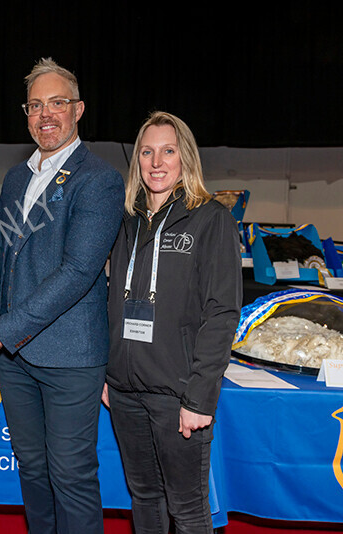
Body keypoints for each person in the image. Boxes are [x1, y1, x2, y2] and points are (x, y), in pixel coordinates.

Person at [0, 58, 125, 534]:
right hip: (17, 358)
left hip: (71, 356)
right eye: (35, 105)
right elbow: (14, 249)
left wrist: (0, 332)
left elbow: (77, 272)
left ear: (79, 110)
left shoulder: (99, 179)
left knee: (70, 476)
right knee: (32, 472)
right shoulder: (16, 178)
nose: (45, 114)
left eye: (57, 103)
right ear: (25, 113)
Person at [102, 111, 242, 533]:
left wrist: (199, 399)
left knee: (188, 508)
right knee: (144, 498)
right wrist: (107, 374)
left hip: (177, 395)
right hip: (125, 391)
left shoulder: (210, 218)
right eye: (147, 151)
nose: (156, 161)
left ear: (186, 159)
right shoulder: (125, 221)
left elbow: (222, 313)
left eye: (168, 151)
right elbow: (108, 299)